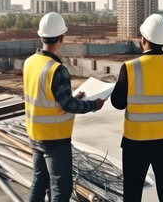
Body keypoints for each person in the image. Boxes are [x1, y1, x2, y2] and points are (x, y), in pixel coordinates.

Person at [24, 12, 105, 202]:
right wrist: (94, 104)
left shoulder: (30, 63)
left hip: (35, 134)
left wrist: (73, 96)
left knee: (39, 182)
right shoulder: (56, 69)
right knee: (61, 189)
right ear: (62, 38)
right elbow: (67, 105)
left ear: (41, 36)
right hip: (55, 138)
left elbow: (46, 96)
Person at [111, 14, 163, 202]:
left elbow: (118, 103)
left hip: (136, 142)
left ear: (143, 39)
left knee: (133, 193)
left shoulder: (130, 68)